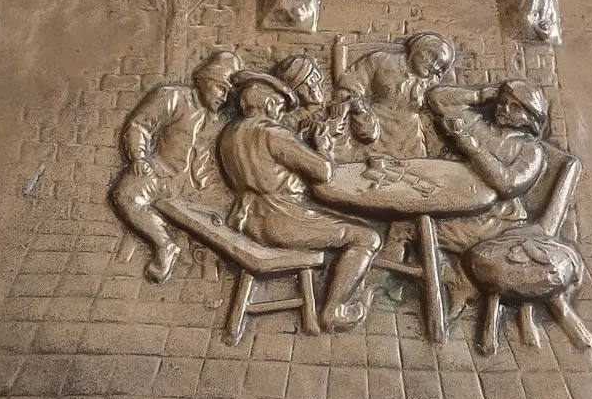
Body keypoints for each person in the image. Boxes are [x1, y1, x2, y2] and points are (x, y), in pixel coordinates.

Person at [218, 70, 381, 333]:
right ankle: (334, 311)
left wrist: (301, 141)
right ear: (268, 102)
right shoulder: (273, 133)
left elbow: (268, 163)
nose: (279, 113)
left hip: (247, 219)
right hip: (280, 220)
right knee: (367, 237)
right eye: (278, 106)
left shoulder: (230, 132)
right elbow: (323, 172)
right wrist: (322, 145)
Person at [109, 50, 242, 283]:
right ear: (205, 80)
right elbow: (139, 126)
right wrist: (139, 158)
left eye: (228, 93)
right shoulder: (173, 97)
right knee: (125, 195)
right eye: (220, 88)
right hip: (160, 175)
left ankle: (210, 274)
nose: (223, 97)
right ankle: (164, 244)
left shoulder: (220, 119)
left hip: (196, 188)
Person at [425, 78, 552, 273]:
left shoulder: (529, 150)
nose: (504, 110)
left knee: (415, 229)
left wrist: (473, 149)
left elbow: (508, 185)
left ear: (530, 118)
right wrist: (480, 95)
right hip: (457, 201)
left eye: (515, 108)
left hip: (494, 220)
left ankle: (436, 277)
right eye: (502, 103)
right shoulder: (480, 126)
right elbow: (437, 98)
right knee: (408, 226)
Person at [335, 31, 456, 159]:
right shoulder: (380, 61)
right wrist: (359, 110)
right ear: (418, 47)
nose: (433, 65)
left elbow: (443, 114)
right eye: (432, 55)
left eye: (439, 64)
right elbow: (349, 86)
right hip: (374, 138)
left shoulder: (431, 84)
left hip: (411, 144)